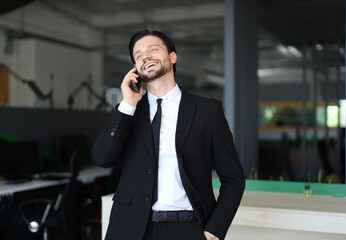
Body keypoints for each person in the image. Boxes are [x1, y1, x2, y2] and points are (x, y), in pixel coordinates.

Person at [92, 30, 245, 240]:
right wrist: (128, 103)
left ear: (173, 57)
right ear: (136, 68)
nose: (145, 56)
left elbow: (234, 179)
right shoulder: (128, 111)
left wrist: (213, 231)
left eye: (153, 49)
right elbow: (103, 158)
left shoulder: (207, 111)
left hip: (188, 228)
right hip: (129, 227)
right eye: (138, 55)